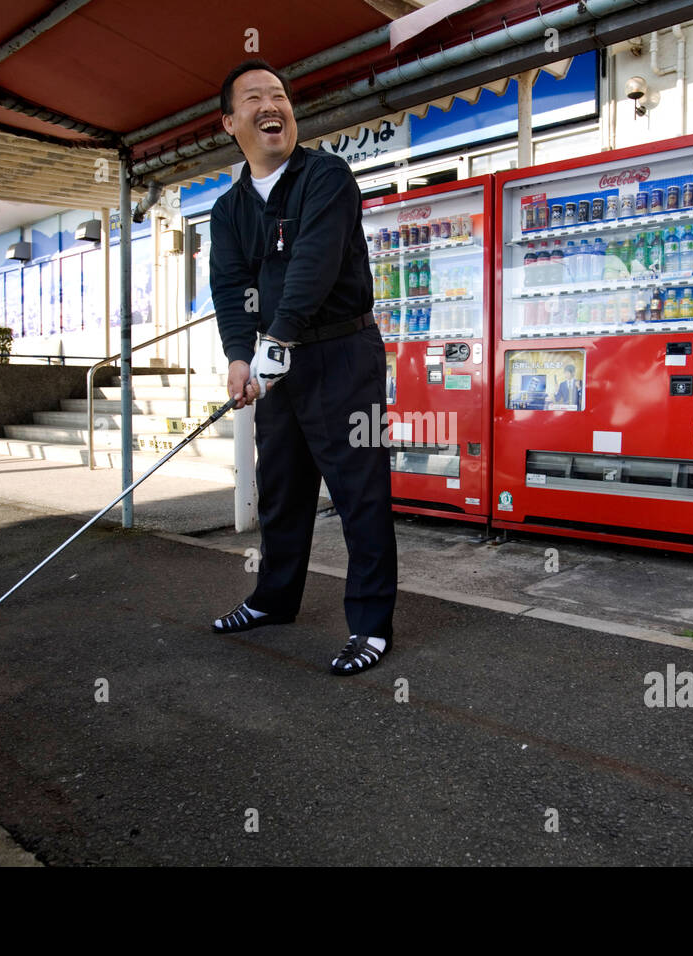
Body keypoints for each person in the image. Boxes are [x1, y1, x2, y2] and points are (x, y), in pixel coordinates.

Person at [207, 59, 397, 675]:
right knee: (283, 492)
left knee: (358, 494)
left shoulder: (326, 176)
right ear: (230, 121)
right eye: (255, 98)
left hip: (343, 354)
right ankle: (273, 599)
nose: (273, 105)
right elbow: (231, 286)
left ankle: (371, 626)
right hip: (275, 363)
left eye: (280, 96)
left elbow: (314, 263)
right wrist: (240, 355)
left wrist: (275, 342)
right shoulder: (229, 208)